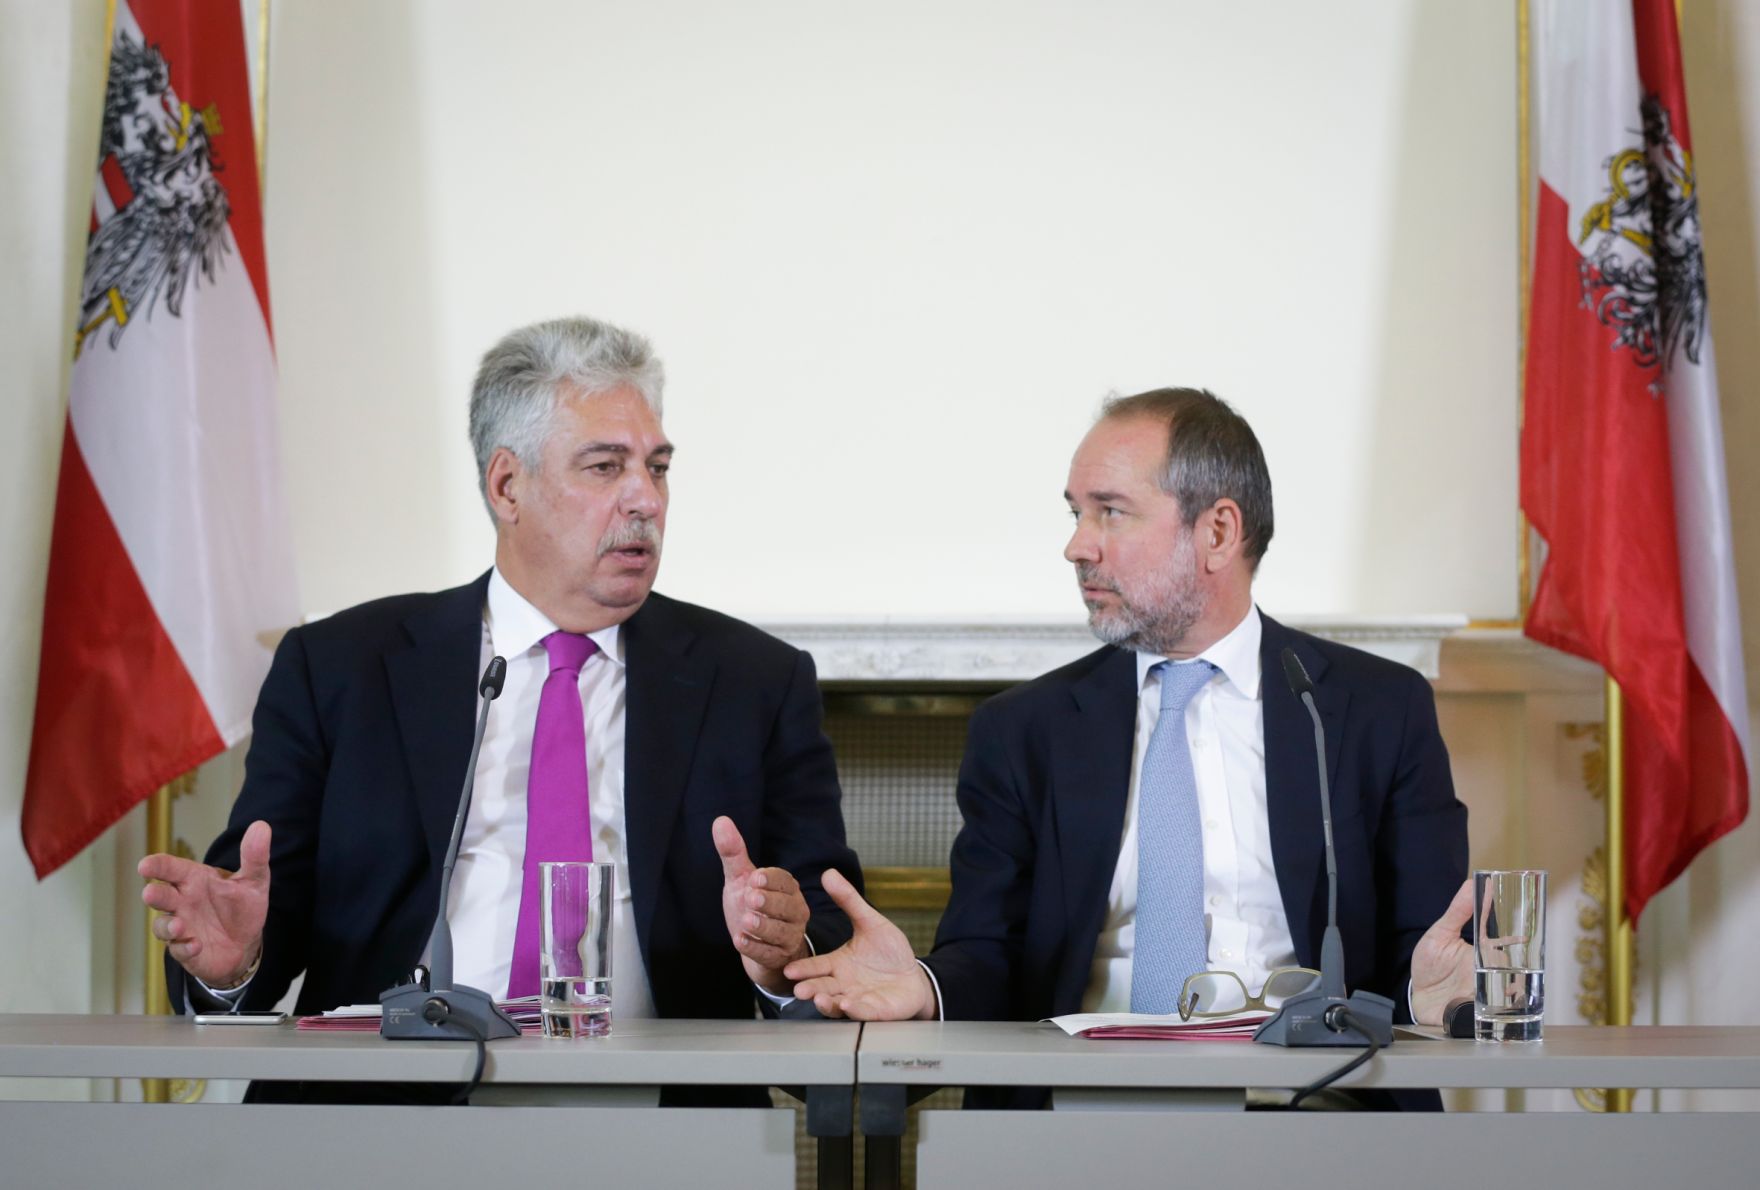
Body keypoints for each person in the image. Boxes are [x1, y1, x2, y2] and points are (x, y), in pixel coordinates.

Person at [138, 317, 862, 1069]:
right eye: (606, 467)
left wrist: (784, 948)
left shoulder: (754, 681)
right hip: (387, 1106)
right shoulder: (342, 668)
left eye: (658, 466)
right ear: (508, 485)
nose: (645, 499)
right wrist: (234, 961)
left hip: (655, 1106)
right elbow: (250, 909)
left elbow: (825, 927)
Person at [784, 387, 1475, 1108]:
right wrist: (924, 987)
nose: (1077, 545)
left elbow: (1419, 955)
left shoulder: (1370, 709)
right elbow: (991, 953)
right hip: (1081, 1107)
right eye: (1075, 512)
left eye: (1109, 511)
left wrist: (1426, 997)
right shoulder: (1026, 730)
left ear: (1217, 533)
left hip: (1313, 1106)